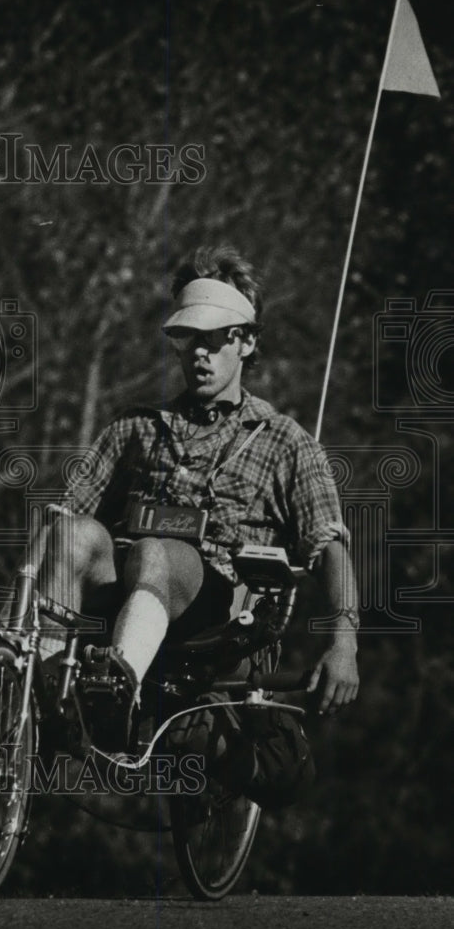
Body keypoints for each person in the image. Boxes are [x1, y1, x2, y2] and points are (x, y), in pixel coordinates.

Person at [39, 245, 360, 756]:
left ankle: (116, 692)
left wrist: (344, 643)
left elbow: (329, 547)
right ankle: (40, 686)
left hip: (218, 614)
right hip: (123, 587)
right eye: (188, 339)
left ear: (246, 342)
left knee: (158, 552)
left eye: (213, 339)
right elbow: (66, 514)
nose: (198, 354)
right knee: (70, 532)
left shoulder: (284, 441)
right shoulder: (137, 427)